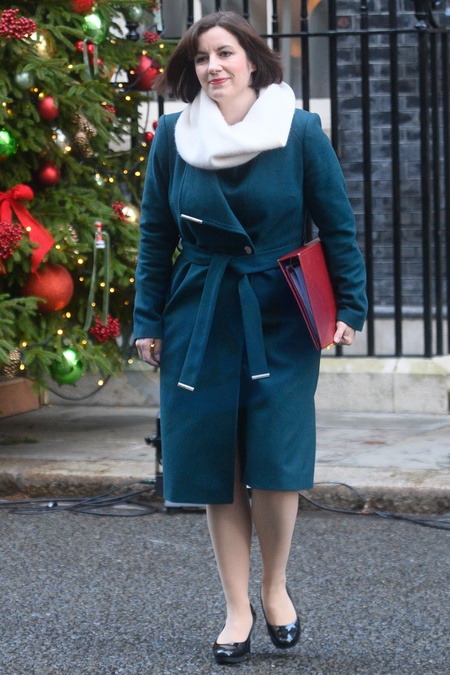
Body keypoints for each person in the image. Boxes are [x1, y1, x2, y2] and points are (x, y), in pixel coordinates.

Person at [134, 11, 367, 666]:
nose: (213, 67)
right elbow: (155, 235)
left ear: (253, 61)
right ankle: (236, 607)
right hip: (200, 312)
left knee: (276, 459)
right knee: (218, 462)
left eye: (225, 53)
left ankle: (275, 587)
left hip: (280, 313)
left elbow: (337, 226)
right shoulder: (174, 136)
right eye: (201, 57)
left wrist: (351, 305)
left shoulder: (298, 130)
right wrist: (147, 320)